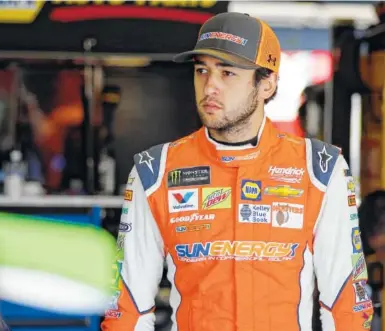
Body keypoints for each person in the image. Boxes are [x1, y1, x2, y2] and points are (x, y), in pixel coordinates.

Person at [101, 12, 373, 331]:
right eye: (201, 70)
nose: (210, 86)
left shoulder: (320, 169)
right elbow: (128, 309)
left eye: (227, 73)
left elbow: (346, 306)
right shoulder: (155, 170)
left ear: (267, 83)